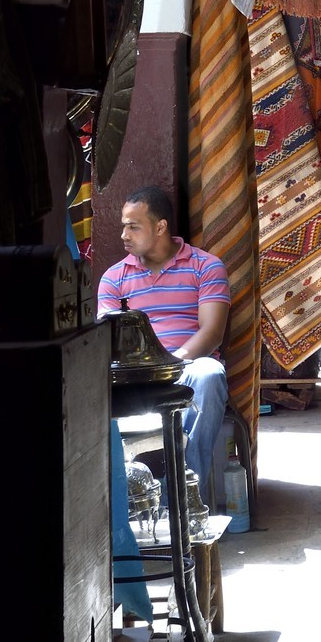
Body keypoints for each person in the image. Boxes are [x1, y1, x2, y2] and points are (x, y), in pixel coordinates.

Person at [97, 186, 230, 505]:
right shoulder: (114, 278)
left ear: (160, 227)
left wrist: (172, 362)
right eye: (123, 226)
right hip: (135, 376)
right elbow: (107, 339)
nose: (124, 236)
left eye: (134, 226)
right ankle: (121, 503)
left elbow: (212, 333)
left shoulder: (205, 266)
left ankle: (183, 497)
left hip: (188, 365)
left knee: (209, 375)